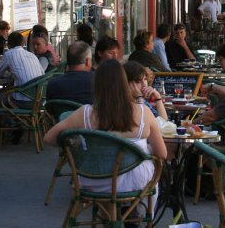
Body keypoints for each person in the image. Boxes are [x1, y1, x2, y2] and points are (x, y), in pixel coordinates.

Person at [43, 60, 167, 203]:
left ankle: (108, 215)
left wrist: (76, 146)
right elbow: (162, 154)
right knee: (146, 154)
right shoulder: (143, 112)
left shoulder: (84, 113)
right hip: (135, 183)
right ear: (124, 83)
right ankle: (136, 215)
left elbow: (49, 138)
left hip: (93, 181)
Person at [0, 31, 45, 112]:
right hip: (39, 101)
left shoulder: (9, 54)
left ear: (8, 44)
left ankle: (9, 121)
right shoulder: (33, 56)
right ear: (23, 43)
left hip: (21, 101)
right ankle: (15, 120)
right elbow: (42, 75)